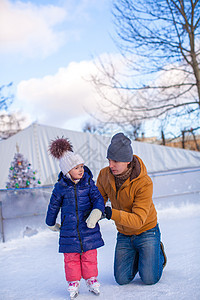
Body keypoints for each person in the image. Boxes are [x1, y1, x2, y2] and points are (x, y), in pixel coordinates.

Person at [97, 133, 167, 286]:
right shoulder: (104, 175)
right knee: (122, 279)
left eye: (115, 161)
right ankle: (140, 255)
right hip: (124, 234)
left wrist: (111, 213)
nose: (110, 165)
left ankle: (157, 253)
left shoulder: (144, 183)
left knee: (149, 278)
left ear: (128, 161)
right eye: (109, 160)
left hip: (147, 230)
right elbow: (98, 200)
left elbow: (137, 220)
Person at [45, 137, 105, 299]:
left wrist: (97, 212)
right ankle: (73, 282)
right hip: (69, 230)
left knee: (90, 256)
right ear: (67, 171)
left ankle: (91, 279)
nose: (81, 170)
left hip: (88, 227)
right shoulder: (61, 187)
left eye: (82, 166)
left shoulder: (88, 183)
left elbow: (98, 199)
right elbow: (53, 206)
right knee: (70, 258)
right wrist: (50, 222)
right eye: (76, 167)